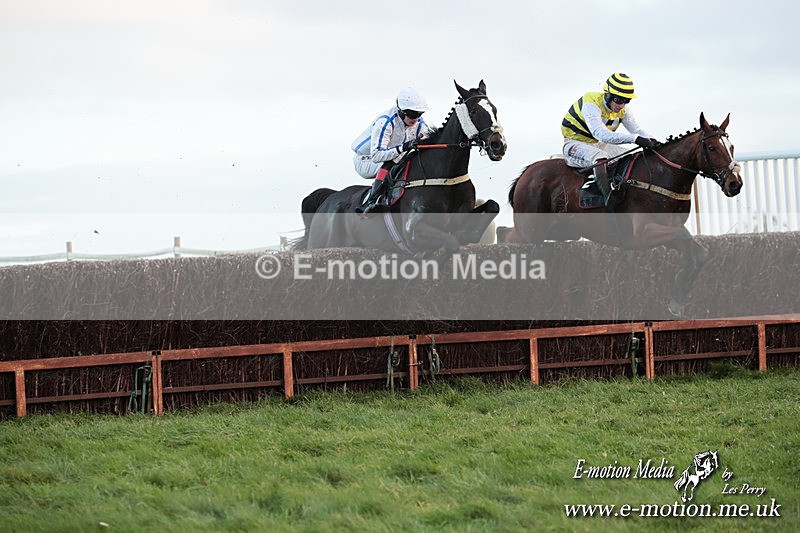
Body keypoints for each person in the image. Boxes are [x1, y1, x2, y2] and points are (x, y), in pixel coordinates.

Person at [561, 72, 661, 206]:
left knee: (632, 157)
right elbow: (600, 133)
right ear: (607, 95)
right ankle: (607, 197)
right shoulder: (591, 103)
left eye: (626, 101)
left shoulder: (624, 111)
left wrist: (654, 141)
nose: (622, 105)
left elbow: (636, 130)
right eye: (619, 100)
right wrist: (636, 139)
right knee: (601, 157)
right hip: (575, 144)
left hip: (600, 144)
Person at [352, 87, 432, 214]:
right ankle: (370, 203)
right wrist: (404, 147)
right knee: (392, 162)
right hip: (365, 159)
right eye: (412, 114)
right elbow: (377, 155)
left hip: (391, 157)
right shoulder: (385, 122)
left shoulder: (419, 124)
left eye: (419, 114)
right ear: (401, 111)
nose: (416, 119)